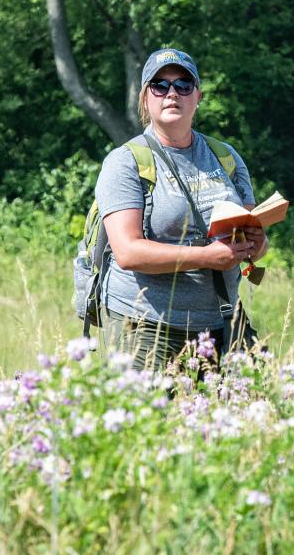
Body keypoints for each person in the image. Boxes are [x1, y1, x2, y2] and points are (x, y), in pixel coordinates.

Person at [95, 47, 268, 371]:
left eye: (183, 85)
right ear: (145, 98)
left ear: (197, 96)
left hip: (222, 321)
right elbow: (128, 252)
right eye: (159, 85)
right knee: (149, 422)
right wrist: (207, 257)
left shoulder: (225, 157)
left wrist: (256, 246)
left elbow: (249, 230)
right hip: (146, 326)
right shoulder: (126, 162)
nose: (171, 93)